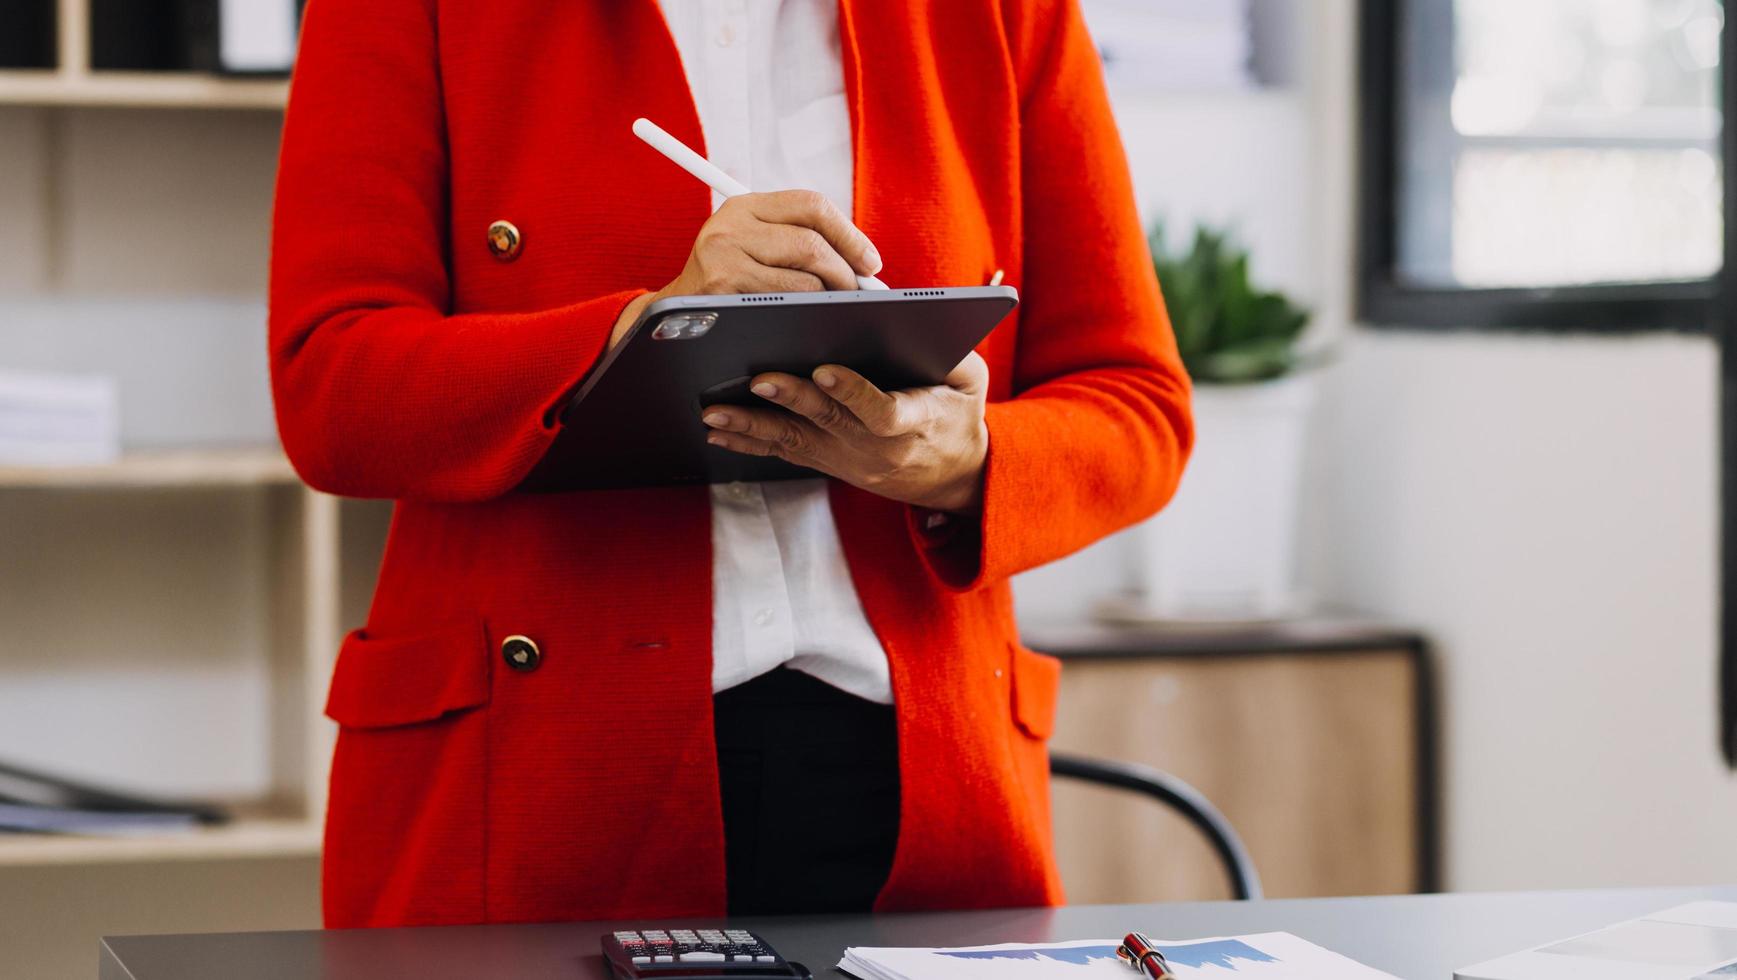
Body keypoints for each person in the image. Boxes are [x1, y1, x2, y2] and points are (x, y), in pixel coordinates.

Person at [270, 0, 1193, 928]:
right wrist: (644, 330)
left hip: (921, 787)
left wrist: (964, 459)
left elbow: (1137, 407)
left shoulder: (1007, 14)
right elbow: (331, 388)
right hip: (533, 775)